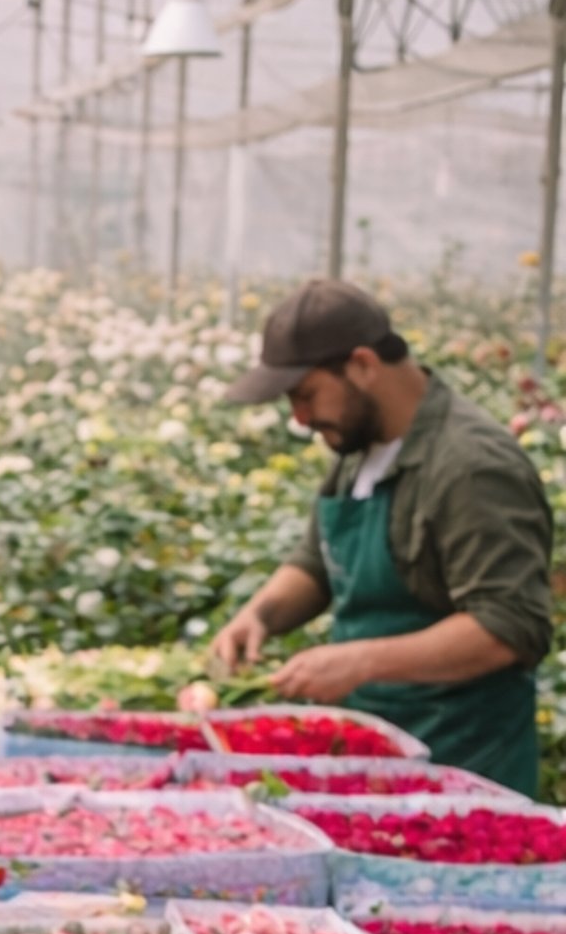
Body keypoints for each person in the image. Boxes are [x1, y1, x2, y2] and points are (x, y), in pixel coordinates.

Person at [211, 278, 555, 795]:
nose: (299, 419)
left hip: (462, 771)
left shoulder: (471, 467)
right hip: (381, 757)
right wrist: (259, 616)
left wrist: (361, 661)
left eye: (305, 395)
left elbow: (509, 626)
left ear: (364, 366)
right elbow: (318, 561)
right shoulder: (361, 449)